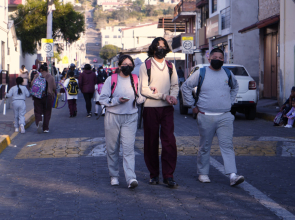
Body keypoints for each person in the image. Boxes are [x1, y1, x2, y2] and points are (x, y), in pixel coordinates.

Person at [181, 47, 244, 186]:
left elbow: (235, 87)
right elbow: (185, 86)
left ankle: (233, 175)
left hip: (225, 116)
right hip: (205, 116)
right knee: (205, 146)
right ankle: (203, 173)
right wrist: (192, 105)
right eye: (215, 57)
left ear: (224, 60)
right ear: (209, 58)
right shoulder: (201, 72)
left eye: (221, 58)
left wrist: (230, 101)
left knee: (227, 145)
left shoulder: (227, 73)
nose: (218, 60)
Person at [99, 54, 147, 189]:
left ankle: (131, 178)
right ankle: (114, 176)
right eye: (124, 64)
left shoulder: (136, 79)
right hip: (112, 116)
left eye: (130, 65)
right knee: (112, 148)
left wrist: (139, 100)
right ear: (119, 66)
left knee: (128, 149)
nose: (127, 67)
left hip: (131, 117)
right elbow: (102, 99)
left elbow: (141, 97)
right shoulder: (111, 79)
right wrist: (117, 100)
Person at [139, 37, 179, 188]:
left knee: (169, 141)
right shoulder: (146, 65)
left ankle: (168, 175)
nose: (160, 49)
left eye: (163, 46)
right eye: (158, 46)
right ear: (153, 48)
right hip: (150, 108)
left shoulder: (171, 66)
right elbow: (143, 89)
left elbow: (175, 85)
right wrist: (163, 95)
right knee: (151, 141)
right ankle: (154, 174)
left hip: (167, 108)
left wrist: (173, 96)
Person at [31, 63, 56, 133]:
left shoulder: (37, 76)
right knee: (47, 112)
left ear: (41, 70)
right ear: (47, 70)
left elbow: (32, 84)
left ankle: (39, 122)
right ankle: (46, 128)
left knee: (37, 111)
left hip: (37, 96)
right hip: (48, 96)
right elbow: (54, 87)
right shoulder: (51, 77)